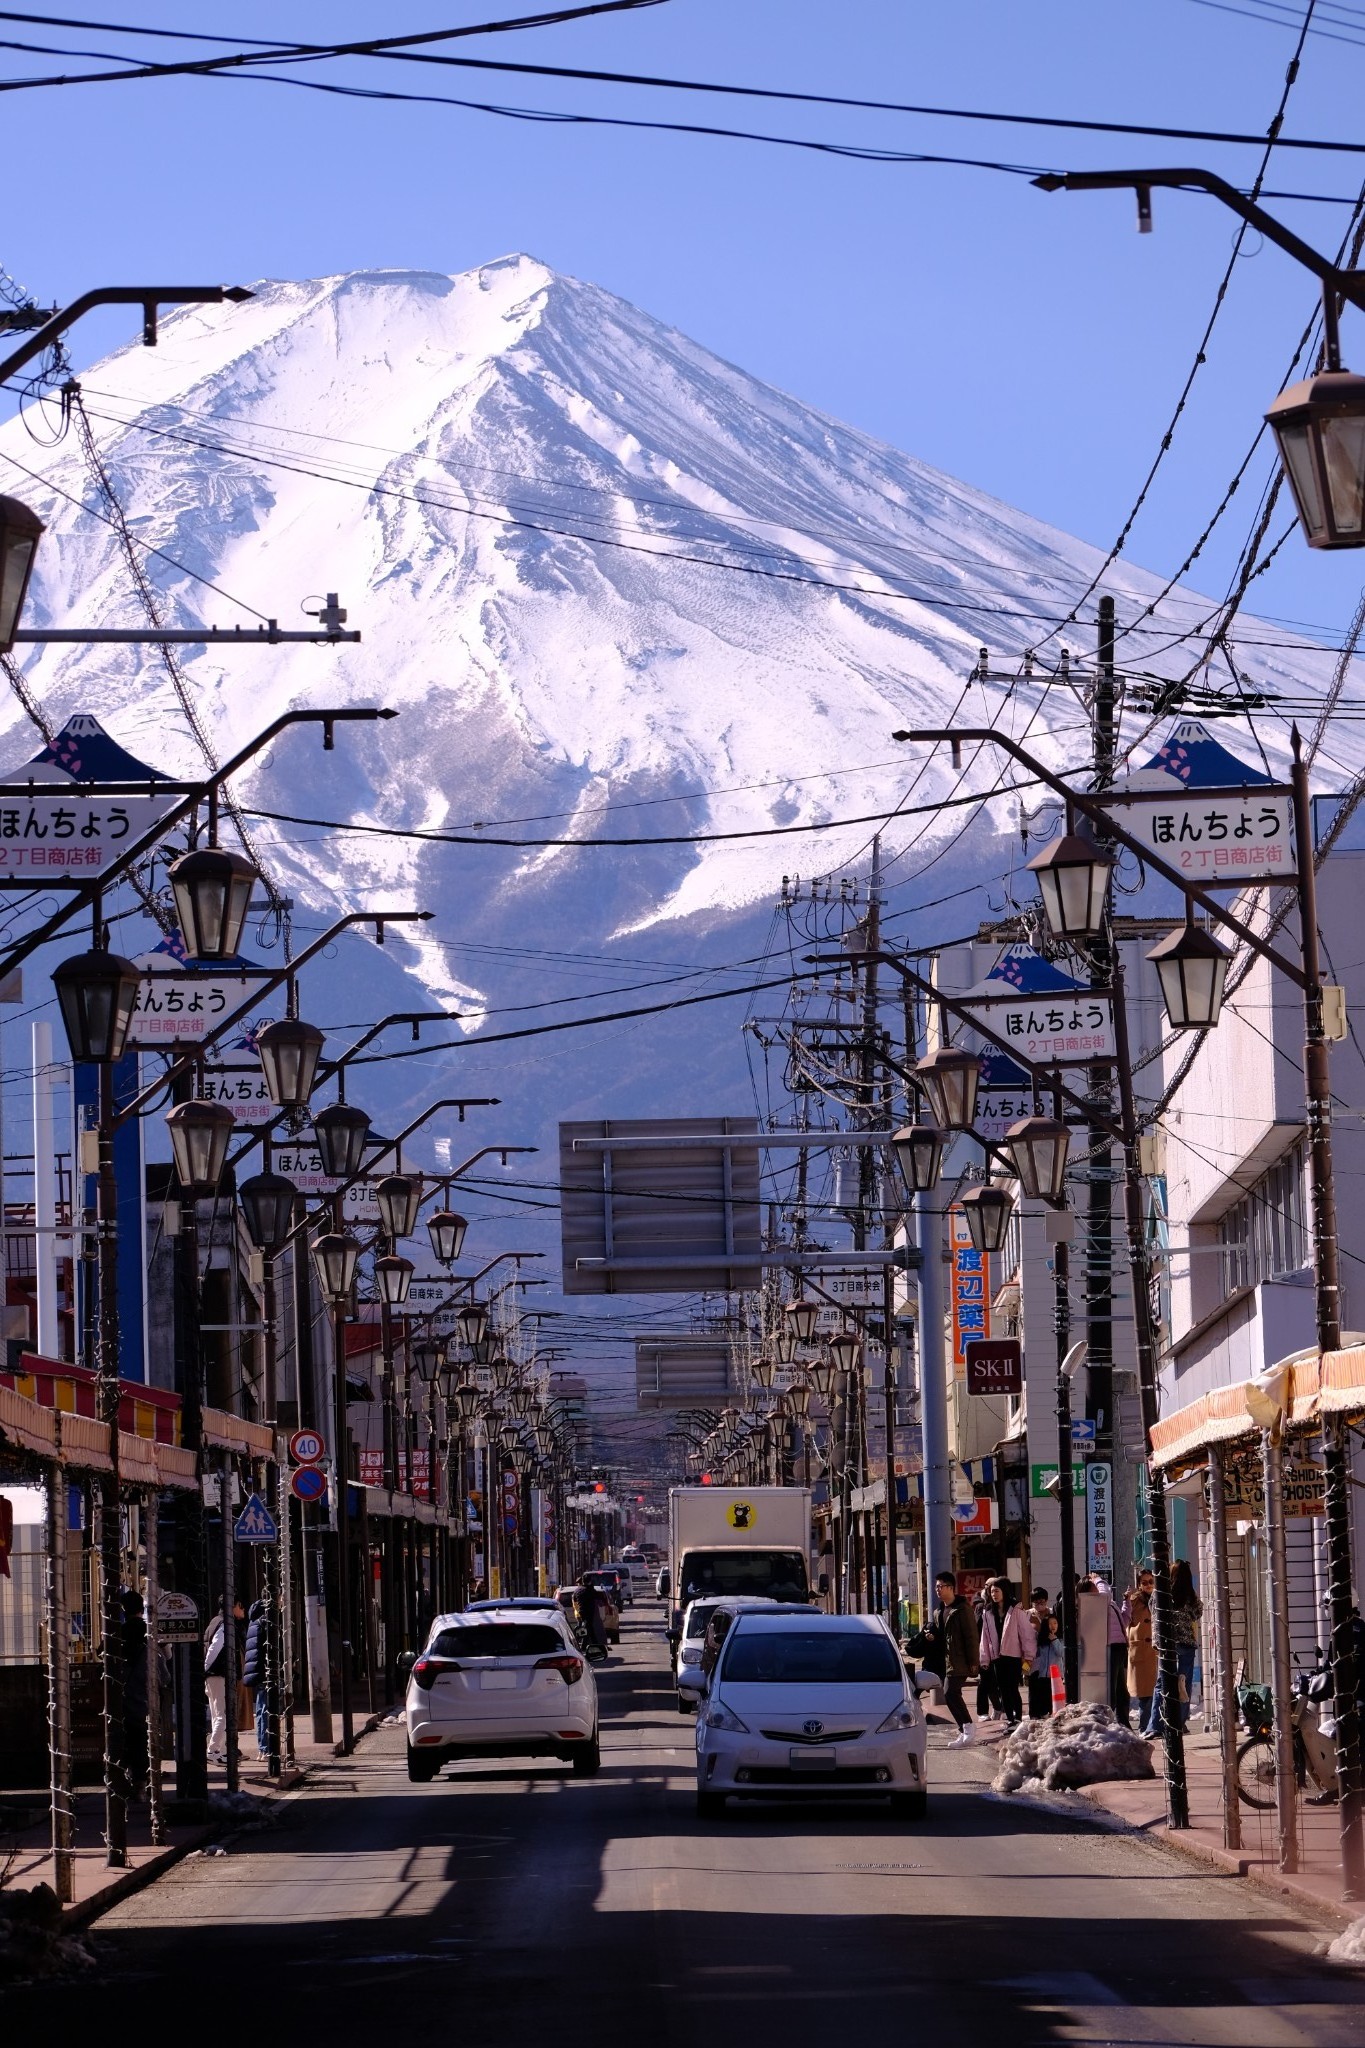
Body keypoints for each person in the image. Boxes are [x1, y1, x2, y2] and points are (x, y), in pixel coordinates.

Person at [920, 1570, 980, 1747]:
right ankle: (964, 1731)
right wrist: (932, 1637)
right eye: (936, 1586)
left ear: (951, 1588)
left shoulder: (962, 1609)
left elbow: (971, 1637)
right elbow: (941, 1637)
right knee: (950, 1695)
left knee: (950, 1692)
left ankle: (968, 1727)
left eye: (941, 1586)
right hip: (947, 1661)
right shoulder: (939, 1611)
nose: (938, 1590)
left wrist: (974, 1662)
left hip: (960, 1660)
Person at [1144, 1559, 1203, 1736]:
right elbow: (1198, 1613)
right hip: (1186, 1644)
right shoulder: (1189, 1595)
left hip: (1166, 1643)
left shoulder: (1160, 1592)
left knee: (1162, 1683)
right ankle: (1179, 1723)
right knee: (1182, 1684)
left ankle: (1155, 1726)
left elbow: (1152, 1610)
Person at [989, 1578, 1034, 1728]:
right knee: (1002, 1689)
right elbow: (985, 1636)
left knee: (1012, 1688)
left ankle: (1018, 1718)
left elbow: (1026, 1633)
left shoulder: (1016, 1609)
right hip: (997, 1656)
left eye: (996, 1591)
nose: (993, 1594)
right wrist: (984, 1657)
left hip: (1013, 1656)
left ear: (1004, 1591)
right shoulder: (988, 1611)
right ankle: (1009, 1718)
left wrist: (1028, 1656)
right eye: (991, 1591)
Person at [204, 1597, 244, 1762]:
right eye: (239, 1605)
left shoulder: (214, 1621)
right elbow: (215, 1647)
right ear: (233, 1606)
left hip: (212, 1675)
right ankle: (213, 1750)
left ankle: (218, 1752)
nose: (241, 1608)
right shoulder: (224, 1625)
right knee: (223, 1714)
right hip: (219, 1673)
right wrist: (205, 1667)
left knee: (216, 1714)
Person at [121, 1587, 149, 1798]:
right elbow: (164, 1674)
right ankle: (141, 1783)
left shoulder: (115, 1635)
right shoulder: (149, 1636)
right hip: (145, 1699)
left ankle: (123, 1781)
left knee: (123, 1742)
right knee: (143, 1743)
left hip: (121, 1699)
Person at [1126, 1568, 1158, 1734]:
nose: (1148, 1585)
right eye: (1144, 1582)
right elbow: (1127, 1621)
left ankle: (1150, 1727)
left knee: (1154, 1692)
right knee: (1145, 1695)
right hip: (1140, 1651)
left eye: (1151, 1582)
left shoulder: (1157, 1599)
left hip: (1153, 1652)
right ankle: (1145, 1727)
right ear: (1139, 1584)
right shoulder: (1134, 1600)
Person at [1026, 1588, 1061, 1720]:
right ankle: (1034, 1714)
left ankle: (1047, 1712)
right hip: (1031, 1657)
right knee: (1033, 1685)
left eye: (1041, 1601)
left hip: (1049, 1657)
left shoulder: (1053, 1613)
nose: (1038, 1605)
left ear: (1046, 1601)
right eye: (1035, 1602)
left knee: (1047, 1687)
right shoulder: (1027, 1615)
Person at [242, 1597, 270, 1761]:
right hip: (266, 1671)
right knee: (266, 1710)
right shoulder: (266, 1620)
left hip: (257, 1671)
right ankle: (266, 1749)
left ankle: (262, 1748)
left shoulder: (254, 1619)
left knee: (261, 1711)